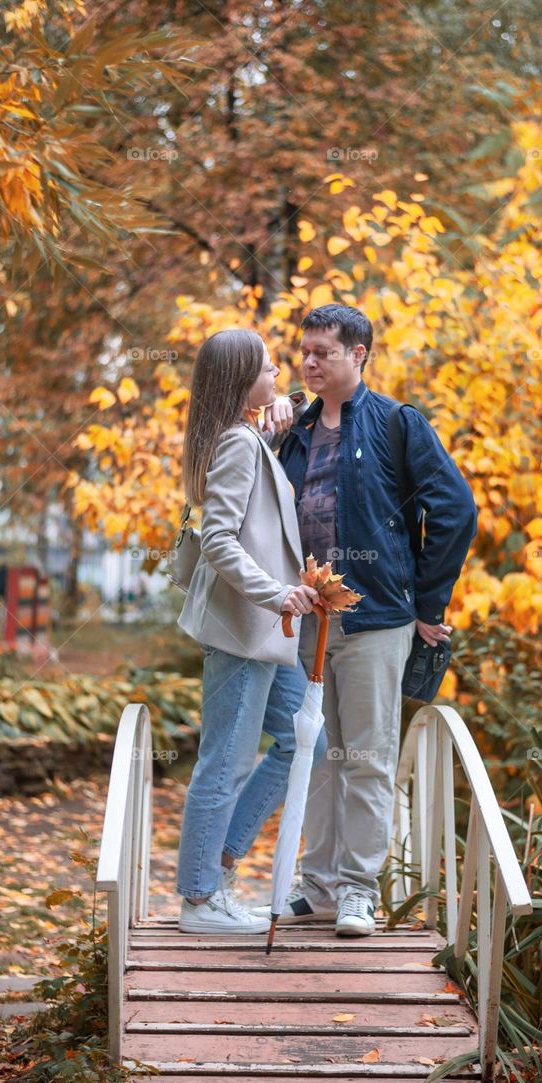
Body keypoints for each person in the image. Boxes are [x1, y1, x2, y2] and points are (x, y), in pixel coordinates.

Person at [254, 303, 478, 937]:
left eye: (324, 351)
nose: (309, 362)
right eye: (304, 351)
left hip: (377, 618)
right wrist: (270, 418)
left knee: (369, 757)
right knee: (317, 755)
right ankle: (318, 887)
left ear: (359, 355)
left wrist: (425, 603)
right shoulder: (292, 428)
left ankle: (359, 891)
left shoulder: (396, 424)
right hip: (304, 621)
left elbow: (456, 511)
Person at [175, 328, 322, 933]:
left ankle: (223, 861)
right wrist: (278, 592)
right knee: (225, 763)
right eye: (268, 369)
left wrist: (275, 422)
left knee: (298, 740)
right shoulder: (237, 443)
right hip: (246, 628)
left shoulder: (244, 437)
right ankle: (199, 900)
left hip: (266, 632)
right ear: (241, 380)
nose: (279, 375)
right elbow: (218, 540)